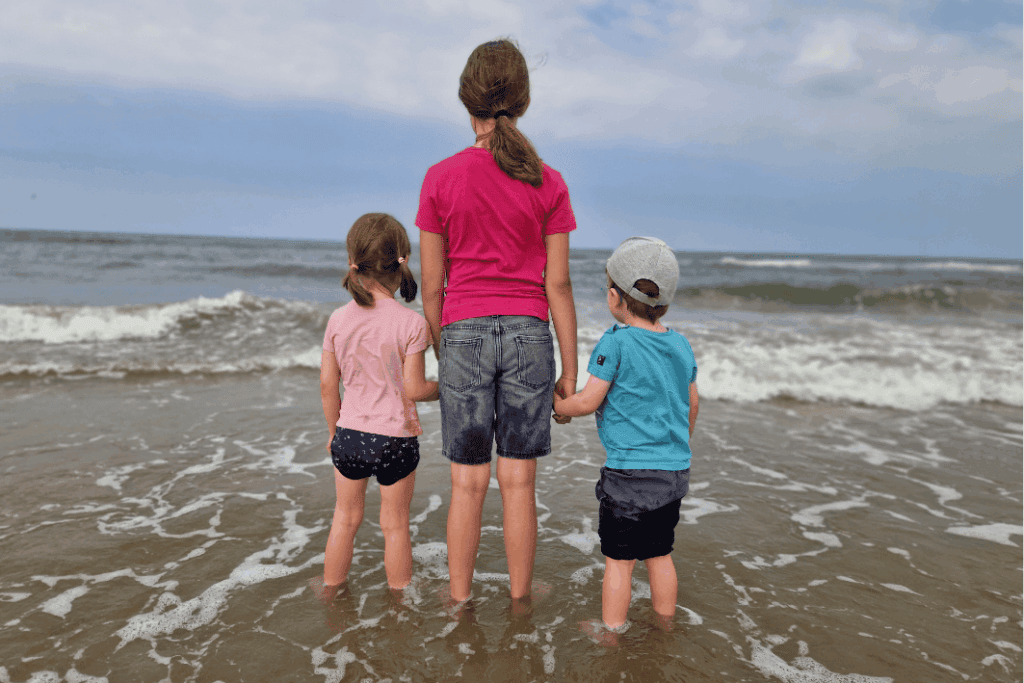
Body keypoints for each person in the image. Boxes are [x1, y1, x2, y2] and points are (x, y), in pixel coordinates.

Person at [416, 38, 579, 605]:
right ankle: (519, 599)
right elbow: (558, 285)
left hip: (463, 331)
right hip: (530, 334)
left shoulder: (440, 178)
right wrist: (570, 373)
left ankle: (459, 598)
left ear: (468, 103)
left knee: (467, 483)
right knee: (519, 482)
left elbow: (432, 287)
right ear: (523, 102)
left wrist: (447, 353)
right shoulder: (549, 181)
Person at [553, 237, 698, 631]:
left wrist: (557, 406)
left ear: (615, 297)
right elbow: (692, 405)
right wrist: (675, 446)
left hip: (628, 475)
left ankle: (612, 633)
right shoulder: (680, 345)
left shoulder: (615, 342)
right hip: (672, 472)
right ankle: (665, 624)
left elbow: (588, 401)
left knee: (619, 563)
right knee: (660, 555)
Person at [319, 213, 438, 596]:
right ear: (402, 260)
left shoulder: (338, 319)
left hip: (350, 436)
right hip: (395, 440)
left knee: (344, 519)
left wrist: (333, 432)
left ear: (353, 261)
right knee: (395, 525)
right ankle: (400, 601)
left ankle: (331, 589)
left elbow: (327, 385)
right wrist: (443, 389)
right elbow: (415, 389)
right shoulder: (411, 323)